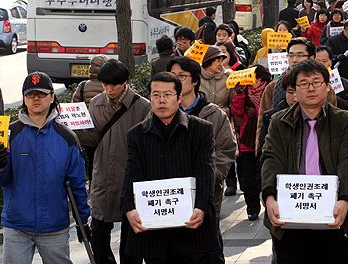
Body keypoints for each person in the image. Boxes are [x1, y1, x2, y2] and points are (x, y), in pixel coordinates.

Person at [261, 60, 348, 264]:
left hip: (333, 217)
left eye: (316, 82)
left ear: (328, 86)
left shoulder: (344, 120)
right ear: (294, 89)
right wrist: (269, 196)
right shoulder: (279, 121)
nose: (310, 88)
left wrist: (345, 199)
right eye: (303, 83)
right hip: (290, 218)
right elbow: (270, 159)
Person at [121, 72, 220, 263]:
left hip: (191, 227)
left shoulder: (200, 129)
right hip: (154, 231)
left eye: (167, 94)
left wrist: (202, 207)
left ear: (179, 97)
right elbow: (131, 174)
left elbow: (205, 170)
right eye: (156, 95)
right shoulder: (137, 135)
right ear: (149, 98)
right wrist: (128, 208)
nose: (161, 100)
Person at [0, 72, 90, 263]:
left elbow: (78, 184)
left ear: (52, 97)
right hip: (16, 225)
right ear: (24, 98)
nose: (36, 98)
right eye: (31, 94)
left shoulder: (67, 138)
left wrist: (83, 221)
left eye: (41, 93)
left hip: (54, 227)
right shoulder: (9, 134)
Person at [74, 59, 151, 264]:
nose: (109, 89)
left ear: (125, 81)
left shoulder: (142, 106)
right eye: (105, 85)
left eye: (113, 85)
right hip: (102, 178)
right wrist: (75, 131)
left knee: (131, 237)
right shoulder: (96, 103)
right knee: (99, 232)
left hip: (131, 180)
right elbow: (94, 138)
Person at [168, 57, 237, 263]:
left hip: (206, 199)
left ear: (196, 80)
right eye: (172, 76)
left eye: (182, 76)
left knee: (209, 254)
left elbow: (226, 150)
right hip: (172, 198)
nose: (177, 81)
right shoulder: (160, 113)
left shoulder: (214, 114)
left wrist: (210, 178)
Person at [232, 64, 271, 221]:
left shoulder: (269, 88)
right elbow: (237, 112)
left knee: (263, 173)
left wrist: (259, 111)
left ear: (259, 77)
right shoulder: (243, 90)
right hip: (247, 138)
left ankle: (267, 203)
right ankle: (252, 207)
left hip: (265, 136)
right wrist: (239, 95)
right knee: (248, 177)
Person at [72, 54, 109, 182]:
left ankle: (92, 185)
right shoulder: (108, 86)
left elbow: (74, 108)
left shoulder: (82, 86)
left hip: (87, 131)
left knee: (91, 160)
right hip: (104, 130)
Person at [315, 46, 348, 117]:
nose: (321, 64)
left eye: (325, 61)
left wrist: (333, 96)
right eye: (317, 61)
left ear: (330, 62)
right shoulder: (305, 84)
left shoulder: (345, 84)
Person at [200, 46, 234, 116]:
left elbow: (233, 104)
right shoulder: (196, 77)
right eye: (218, 61)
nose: (221, 64)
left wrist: (227, 111)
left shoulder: (228, 77)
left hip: (221, 120)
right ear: (208, 60)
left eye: (222, 61)